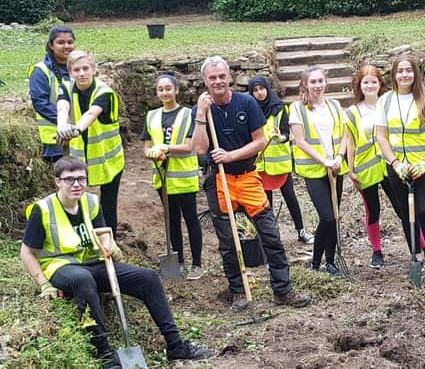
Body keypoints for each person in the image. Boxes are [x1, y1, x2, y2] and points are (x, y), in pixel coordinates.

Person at [20, 156, 212, 369]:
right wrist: (44, 285)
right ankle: (105, 354)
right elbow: (26, 253)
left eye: (81, 179)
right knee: (83, 279)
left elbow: (103, 232)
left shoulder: (91, 202)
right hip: (62, 268)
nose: (76, 185)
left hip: (94, 263)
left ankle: (176, 345)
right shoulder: (43, 209)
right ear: (58, 182)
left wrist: (109, 245)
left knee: (147, 278)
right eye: (69, 180)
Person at [191, 56, 310, 310]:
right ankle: (238, 291)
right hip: (219, 180)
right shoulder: (201, 110)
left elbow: (259, 141)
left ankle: (283, 289)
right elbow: (199, 148)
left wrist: (231, 155)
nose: (218, 81)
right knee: (228, 241)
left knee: (270, 234)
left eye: (222, 76)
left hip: (247, 176)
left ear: (229, 77)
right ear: (205, 81)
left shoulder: (246, 103)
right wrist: (201, 113)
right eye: (212, 78)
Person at [376, 54, 425, 287]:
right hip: (398, 167)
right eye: (400, 71)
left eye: (409, 70)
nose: (404, 75)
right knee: (407, 215)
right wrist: (395, 163)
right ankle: (415, 257)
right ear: (394, 74)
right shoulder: (385, 101)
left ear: (415, 73)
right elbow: (381, 136)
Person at [345, 65, 411, 269]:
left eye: (374, 81)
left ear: (380, 84)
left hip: (391, 165)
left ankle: (421, 246)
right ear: (359, 85)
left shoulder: (390, 105)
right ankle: (376, 251)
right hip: (367, 168)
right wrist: (351, 170)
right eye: (366, 82)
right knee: (373, 210)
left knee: (403, 209)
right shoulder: (352, 112)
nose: (370, 85)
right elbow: (351, 142)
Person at [141, 72, 203, 280]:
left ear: (176, 90)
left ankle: (197, 263)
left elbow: (190, 146)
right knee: (172, 221)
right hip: (163, 178)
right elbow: (146, 145)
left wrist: (165, 147)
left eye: (168, 88)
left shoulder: (188, 114)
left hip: (184, 178)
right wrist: (152, 153)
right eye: (161, 89)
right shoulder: (151, 116)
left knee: (191, 219)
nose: (165, 92)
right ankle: (178, 262)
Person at [56, 50, 125, 234]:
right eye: (76, 70)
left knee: (108, 203)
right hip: (81, 158)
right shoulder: (66, 87)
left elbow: (91, 113)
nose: (81, 73)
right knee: (77, 199)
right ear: (70, 72)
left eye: (85, 68)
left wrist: (76, 130)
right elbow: (63, 106)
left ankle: (109, 243)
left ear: (94, 69)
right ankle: (82, 237)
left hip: (109, 159)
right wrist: (61, 125)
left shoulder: (105, 92)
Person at [289, 65, 348, 275]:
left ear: (326, 82)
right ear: (305, 84)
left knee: (335, 215)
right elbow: (300, 141)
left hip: (336, 167)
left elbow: (344, 135)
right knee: (327, 217)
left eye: (320, 81)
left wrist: (339, 156)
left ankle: (329, 262)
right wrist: (324, 160)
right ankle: (315, 262)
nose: (317, 86)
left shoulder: (335, 105)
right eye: (312, 82)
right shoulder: (298, 108)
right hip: (315, 170)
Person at [247, 75, 313, 245]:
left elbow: (286, 132)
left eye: (261, 89)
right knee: (266, 202)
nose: (259, 93)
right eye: (255, 90)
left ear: (267, 89)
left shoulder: (280, 108)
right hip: (262, 165)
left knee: (290, 197)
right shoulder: (251, 110)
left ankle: (301, 231)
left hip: (280, 164)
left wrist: (281, 137)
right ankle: (271, 236)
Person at [28, 26, 76, 162]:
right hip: (55, 137)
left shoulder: (78, 68)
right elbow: (40, 104)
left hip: (78, 132)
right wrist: (65, 123)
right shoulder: (40, 71)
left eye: (70, 42)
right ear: (51, 45)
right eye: (61, 42)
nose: (67, 46)